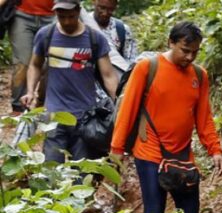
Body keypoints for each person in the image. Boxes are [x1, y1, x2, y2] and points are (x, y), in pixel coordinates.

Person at [110, 21, 222, 213]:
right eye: (185, 50)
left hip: (182, 155)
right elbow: (128, 109)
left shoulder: (199, 75)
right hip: (149, 151)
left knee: (190, 211)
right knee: (154, 211)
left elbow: (203, 117)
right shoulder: (147, 68)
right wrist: (116, 148)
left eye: (195, 52)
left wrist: (215, 148)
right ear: (171, 42)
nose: (189, 57)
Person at [19, 0, 117, 162]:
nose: (66, 21)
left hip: (85, 118)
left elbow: (108, 75)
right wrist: (30, 91)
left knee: (81, 176)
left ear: (79, 11)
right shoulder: (46, 35)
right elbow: (35, 65)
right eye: (61, 16)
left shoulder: (94, 38)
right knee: (52, 172)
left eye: (70, 16)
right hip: (54, 117)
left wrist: (119, 104)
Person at [5, 0, 53, 114]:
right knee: (23, 62)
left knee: (52, 63)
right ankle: (18, 108)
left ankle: (42, 104)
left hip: (54, 15)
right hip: (21, 14)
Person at [81, 0, 135, 77]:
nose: (105, 13)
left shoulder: (123, 30)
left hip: (115, 81)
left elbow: (130, 62)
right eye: (102, 8)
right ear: (93, 2)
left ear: (116, 6)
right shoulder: (81, 26)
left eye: (110, 9)